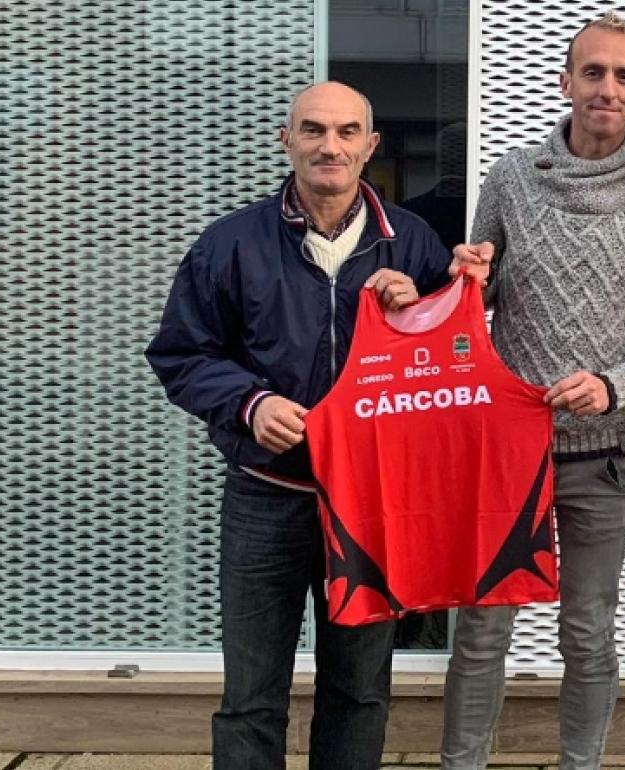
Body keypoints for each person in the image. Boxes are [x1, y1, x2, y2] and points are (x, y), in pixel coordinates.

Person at [145, 81, 459, 770]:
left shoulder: (411, 244)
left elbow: (448, 377)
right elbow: (179, 353)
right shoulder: (230, 243)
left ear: (370, 146)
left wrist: (416, 317)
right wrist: (249, 403)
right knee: (253, 694)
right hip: (266, 498)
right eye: (313, 131)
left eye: (347, 132)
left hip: (372, 507)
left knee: (359, 691)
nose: (330, 146)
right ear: (286, 141)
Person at [440, 12, 625, 770]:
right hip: (507, 449)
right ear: (566, 81)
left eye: (623, 75)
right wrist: (462, 282)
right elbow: (470, 304)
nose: (606, 87)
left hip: (606, 455)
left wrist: (614, 387)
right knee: (483, 624)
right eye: (593, 72)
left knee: (587, 628)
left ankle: (581, 765)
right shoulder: (512, 178)